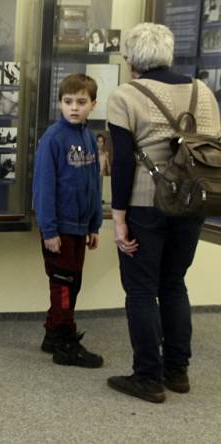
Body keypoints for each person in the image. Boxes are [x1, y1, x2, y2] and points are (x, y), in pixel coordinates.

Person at [105, 23, 221, 403]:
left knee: (140, 289)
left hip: (145, 202)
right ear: (169, 53)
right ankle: (177, 371)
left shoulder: (125, 95)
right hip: (193, 201)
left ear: (131, 58)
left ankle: (148, 377)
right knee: (174, 284)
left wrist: (118, 218)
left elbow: (122, 162)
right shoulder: (203, 91)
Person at [32, 73, 103, 369]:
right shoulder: (53, 139)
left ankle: (52, 331)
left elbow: (94, 184)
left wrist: (94, 224)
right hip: (58, 229)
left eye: (81, 102)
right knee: (62, 284)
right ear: (60, 103)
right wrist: (49, 229)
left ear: (93, 105)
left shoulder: (88, 138)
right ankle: (64, 341)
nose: (74, 107)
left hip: (80, 226)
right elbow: (43, 188)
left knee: (73, 283)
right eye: (68, 101)